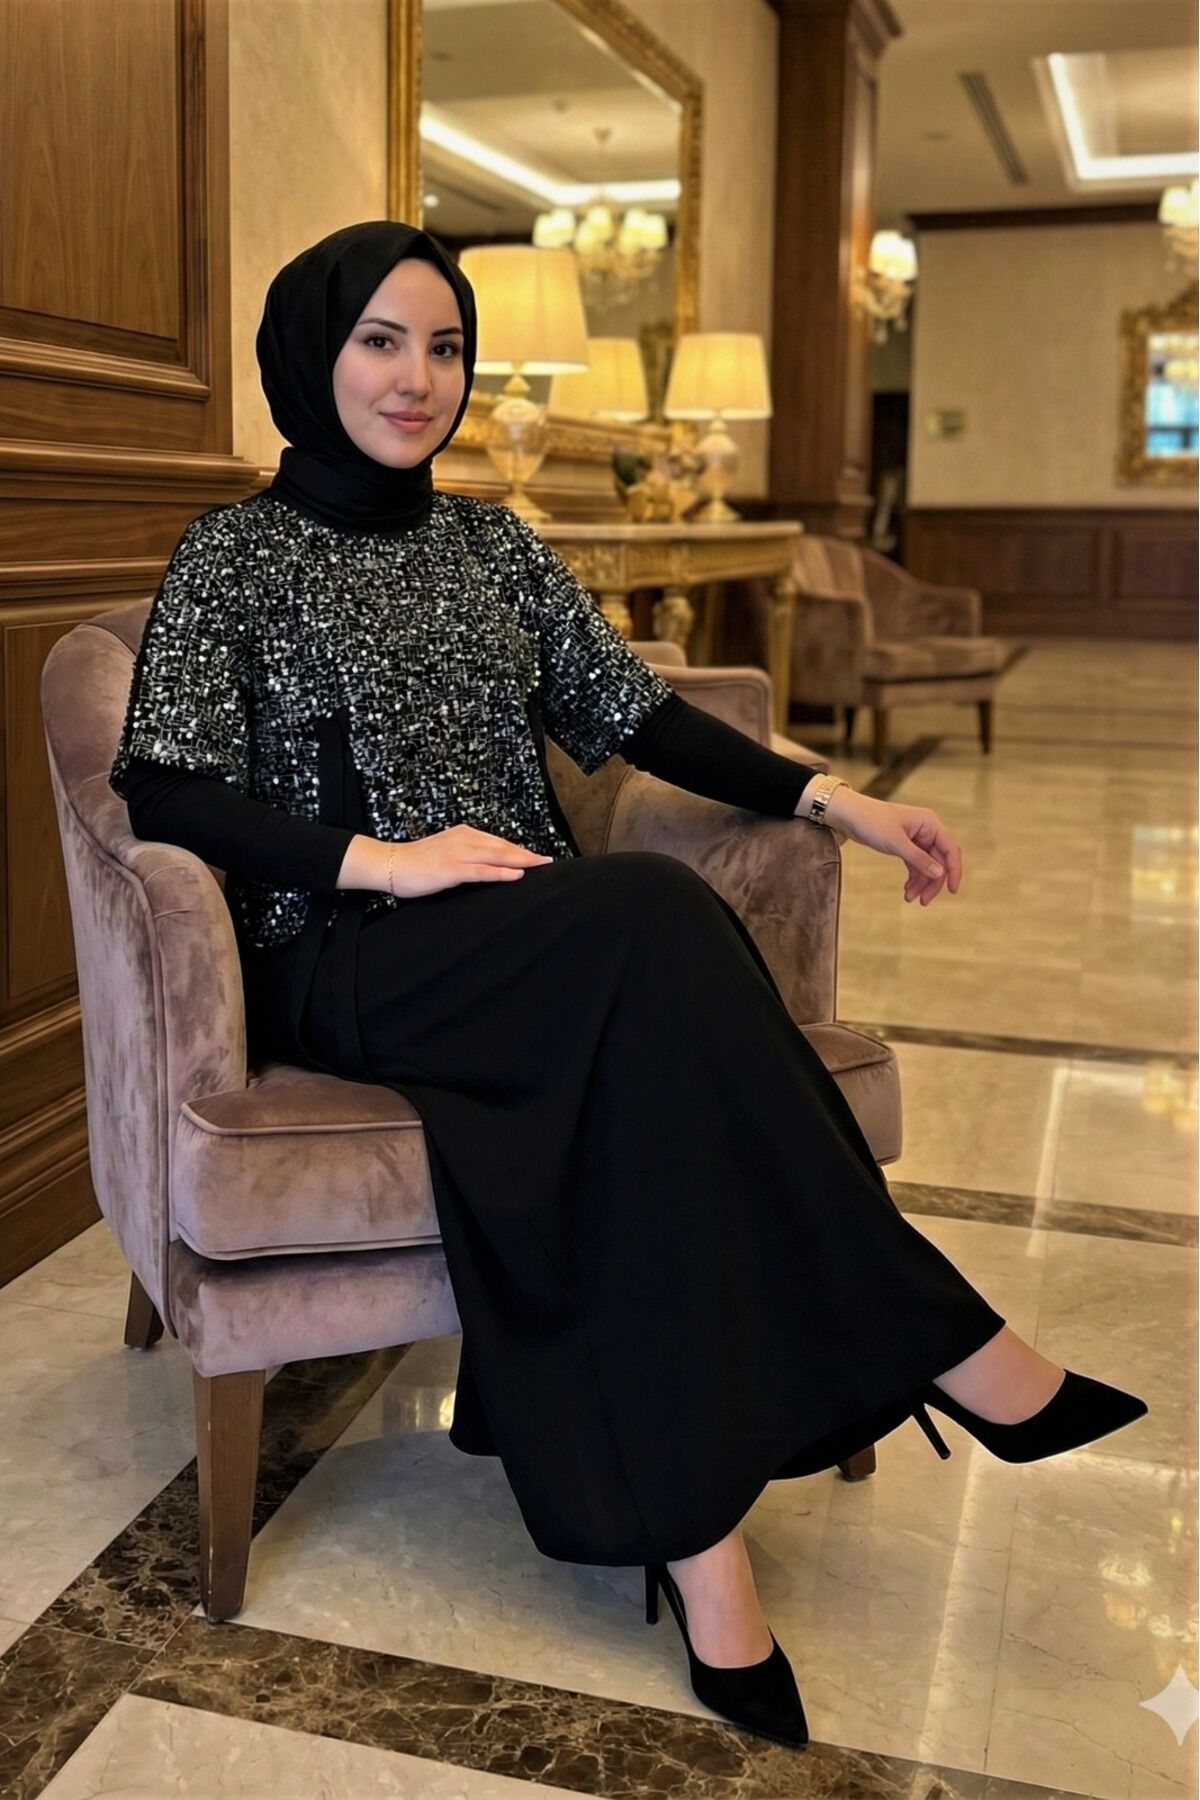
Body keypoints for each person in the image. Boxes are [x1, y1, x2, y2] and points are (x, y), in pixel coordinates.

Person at [108, 222, 1147, 1753]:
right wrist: (384, 862)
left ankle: (704, 1552)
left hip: (529, 937)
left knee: (637, 1089)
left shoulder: (495, 546)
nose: (418, 378)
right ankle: (936, 1339)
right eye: (382, 341)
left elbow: (639, 715)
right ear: (311, 356)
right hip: (346, 950)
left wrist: (836, 799)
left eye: (446, 347)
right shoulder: (234, 554)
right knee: (651, 919)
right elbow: (165, 788)